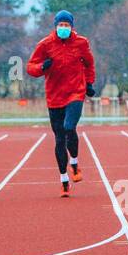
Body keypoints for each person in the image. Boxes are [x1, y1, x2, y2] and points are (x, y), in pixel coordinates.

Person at [27, 10, 97, 197]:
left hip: (75, 92)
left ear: (71, 27)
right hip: (54, 96)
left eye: (67, 25)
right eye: (61, 25)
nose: (64, 28)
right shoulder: (45, 44)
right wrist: (42, 67)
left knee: (69, 127)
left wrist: (89, 83)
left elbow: (89, 64)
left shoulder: (81, 43)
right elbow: (30, 66)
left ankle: (74, 161)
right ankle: (64, 179)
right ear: (55, 26)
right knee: (59, 137)